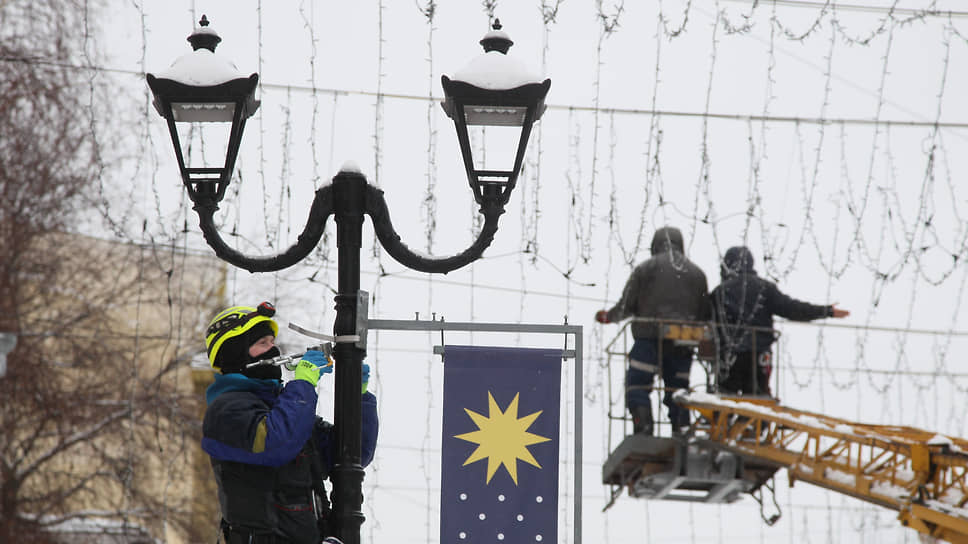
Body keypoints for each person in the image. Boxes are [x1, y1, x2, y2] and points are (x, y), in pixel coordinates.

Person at [201, 302, 378, 544]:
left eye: (273, 342)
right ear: (236, 353)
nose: (274, 350)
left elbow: (353, 454)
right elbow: (276, 444)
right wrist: (303, 383)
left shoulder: (285, 409)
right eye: (263, 343)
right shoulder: (225, 412)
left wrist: (358, 397)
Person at [595, 227, 709, 435]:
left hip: (649, 338)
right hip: (683, 342)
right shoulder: (697, 275)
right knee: (678, 389)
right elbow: (704, 313)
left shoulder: (646, 269)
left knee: (637, 384)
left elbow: (627, 305)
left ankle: (643, 424)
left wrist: (608, 317)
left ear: (655, 245)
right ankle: (681, 428)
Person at [710, 246, 849, 396]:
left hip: (730, 355)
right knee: (759, 400)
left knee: (724, 396)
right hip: (760, 353)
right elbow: (792, 309)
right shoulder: (765, 288)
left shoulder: (720, 292)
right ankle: (750, 419)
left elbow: (707, 319)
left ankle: (726, 417)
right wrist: (826, 311)